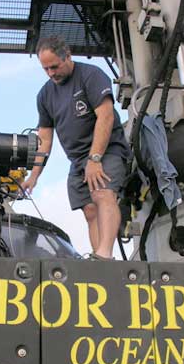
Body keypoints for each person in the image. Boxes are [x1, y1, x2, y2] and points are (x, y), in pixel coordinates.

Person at [21, 36, 131, 259]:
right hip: (77, 160)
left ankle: (104, 254)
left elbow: (106, 116)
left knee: (102, 193)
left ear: (67, 57)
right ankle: (98, 260)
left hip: (106, 150)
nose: (51, 73)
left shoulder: (91, 76)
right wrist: (34, 175)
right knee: (89, 210)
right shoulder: (45, 95)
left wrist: (95, 159)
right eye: (46, 69)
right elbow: (45, 138)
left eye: (54, 66)